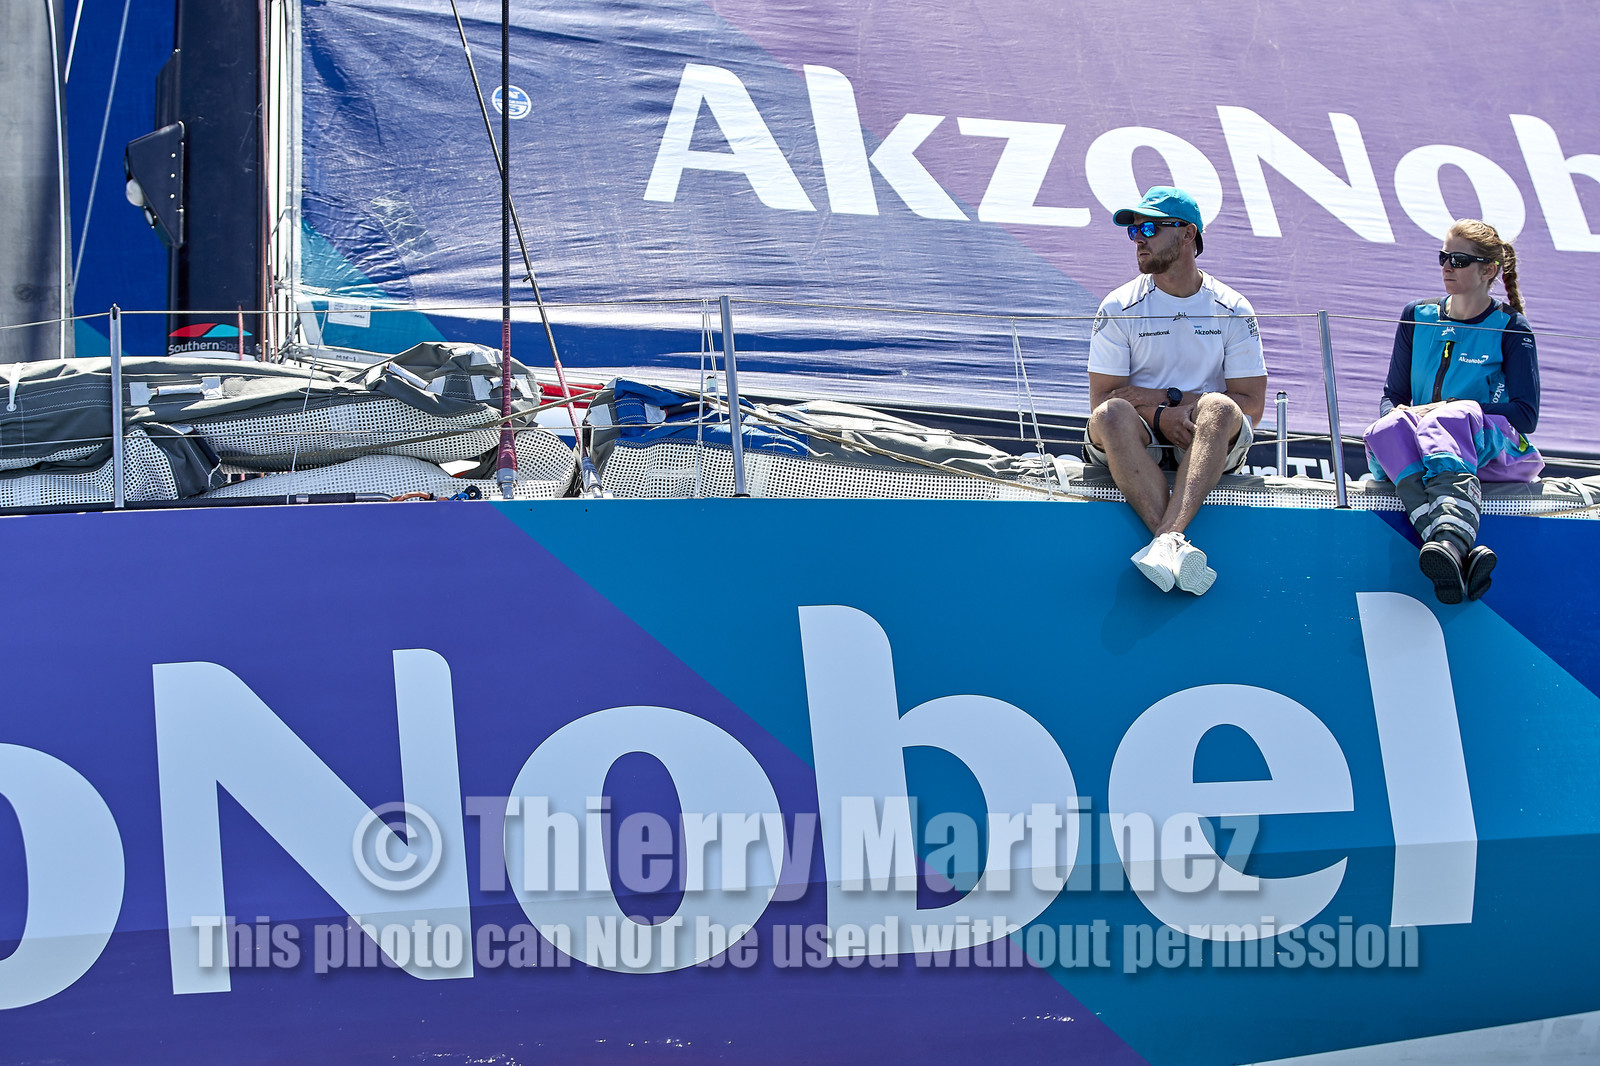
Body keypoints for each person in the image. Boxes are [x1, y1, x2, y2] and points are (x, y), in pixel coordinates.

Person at [1085, 186, 1267, 595]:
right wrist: (1163, 413)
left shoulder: (1233, 308)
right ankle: (1171, 542)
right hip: (1138, 434)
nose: (1139, 239)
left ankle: (1164, 541)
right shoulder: (1117, 306)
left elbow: (1251, 406)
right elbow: (1104, 401)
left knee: (1219, 407)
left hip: (1204, 439)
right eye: (1133, 231)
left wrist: (1179, 405)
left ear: (1187, 234)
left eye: (1149, 226)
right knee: (1112, 415)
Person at [1363, 219, 1541, 604]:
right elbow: (1392, 396)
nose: (1447, 267)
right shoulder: (1417, 315)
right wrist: (1416, 414)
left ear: (1488, 270)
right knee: (1383, 427)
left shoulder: (1511, 326)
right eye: (1443, 257)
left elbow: (1525, 416)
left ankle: (1448, 537)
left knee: (1449, 417)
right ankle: (1451, 547)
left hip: (1489, 448)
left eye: (1459, 260)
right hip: (1424, 446)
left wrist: (1448, 407)